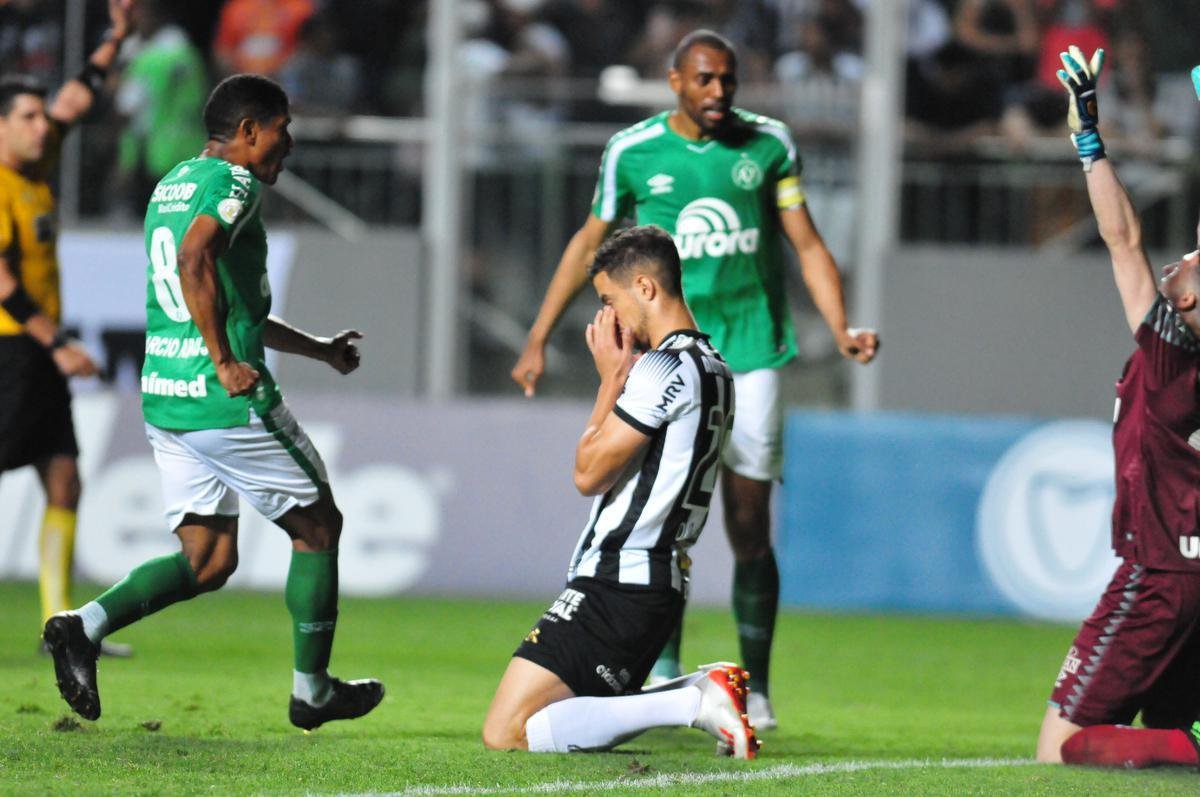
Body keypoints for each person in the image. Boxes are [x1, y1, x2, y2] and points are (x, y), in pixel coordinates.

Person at [510, 28, 878, 729]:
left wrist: (840, 327)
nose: (718, 93)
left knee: (747, 521)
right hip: (668, 357)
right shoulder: (634, 150)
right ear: (675, 81)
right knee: (657, 516)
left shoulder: (768, 145)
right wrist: (537, 333)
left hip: (750, 351)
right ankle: (657, 670)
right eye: (705, 80)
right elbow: (589, 243)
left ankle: (758, 685)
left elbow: (807, 243)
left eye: (728, 80)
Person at [43, 74, 383, 731]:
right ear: (249, 130)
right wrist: (226, 362)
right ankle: (312, 691)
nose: (289, 148)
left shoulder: (172, 181)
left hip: (167, 396)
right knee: (318, 527)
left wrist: (319, 349)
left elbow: (222, 295)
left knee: (207, 558)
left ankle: (81, 626)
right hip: (221, 397)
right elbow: (196, 260)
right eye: (282, 133)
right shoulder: (235, 183)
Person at [484, 224, 758, 758]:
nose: (608, 317)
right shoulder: (716, 369)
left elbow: (589, 473)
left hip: (619, 581)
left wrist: (610, 379)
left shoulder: (665, 367)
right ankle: (699, 694)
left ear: (646, 288)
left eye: (610, 300)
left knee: (506, 732)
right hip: (654, 586)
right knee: (554, 720)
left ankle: (694, 701)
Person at [1035, 46, 1200, 768]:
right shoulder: (1183, 341)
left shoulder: (1173, 351)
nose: (1178, 261)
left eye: (1190, 264)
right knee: (1162, 738)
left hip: (1160, 571)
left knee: (1060, 749)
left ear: (1189, 304)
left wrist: (1089, 137)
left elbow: (1122, 237)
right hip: (1191, 571)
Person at [0, 0, 133, 657]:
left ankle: (62, 624)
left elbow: (75, 104)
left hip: (32, 352)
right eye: (26, 117)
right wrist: (57, 341)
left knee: (64, 476)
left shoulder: (34, 171)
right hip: (9, 348)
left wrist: (114, 39)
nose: (40, 126)